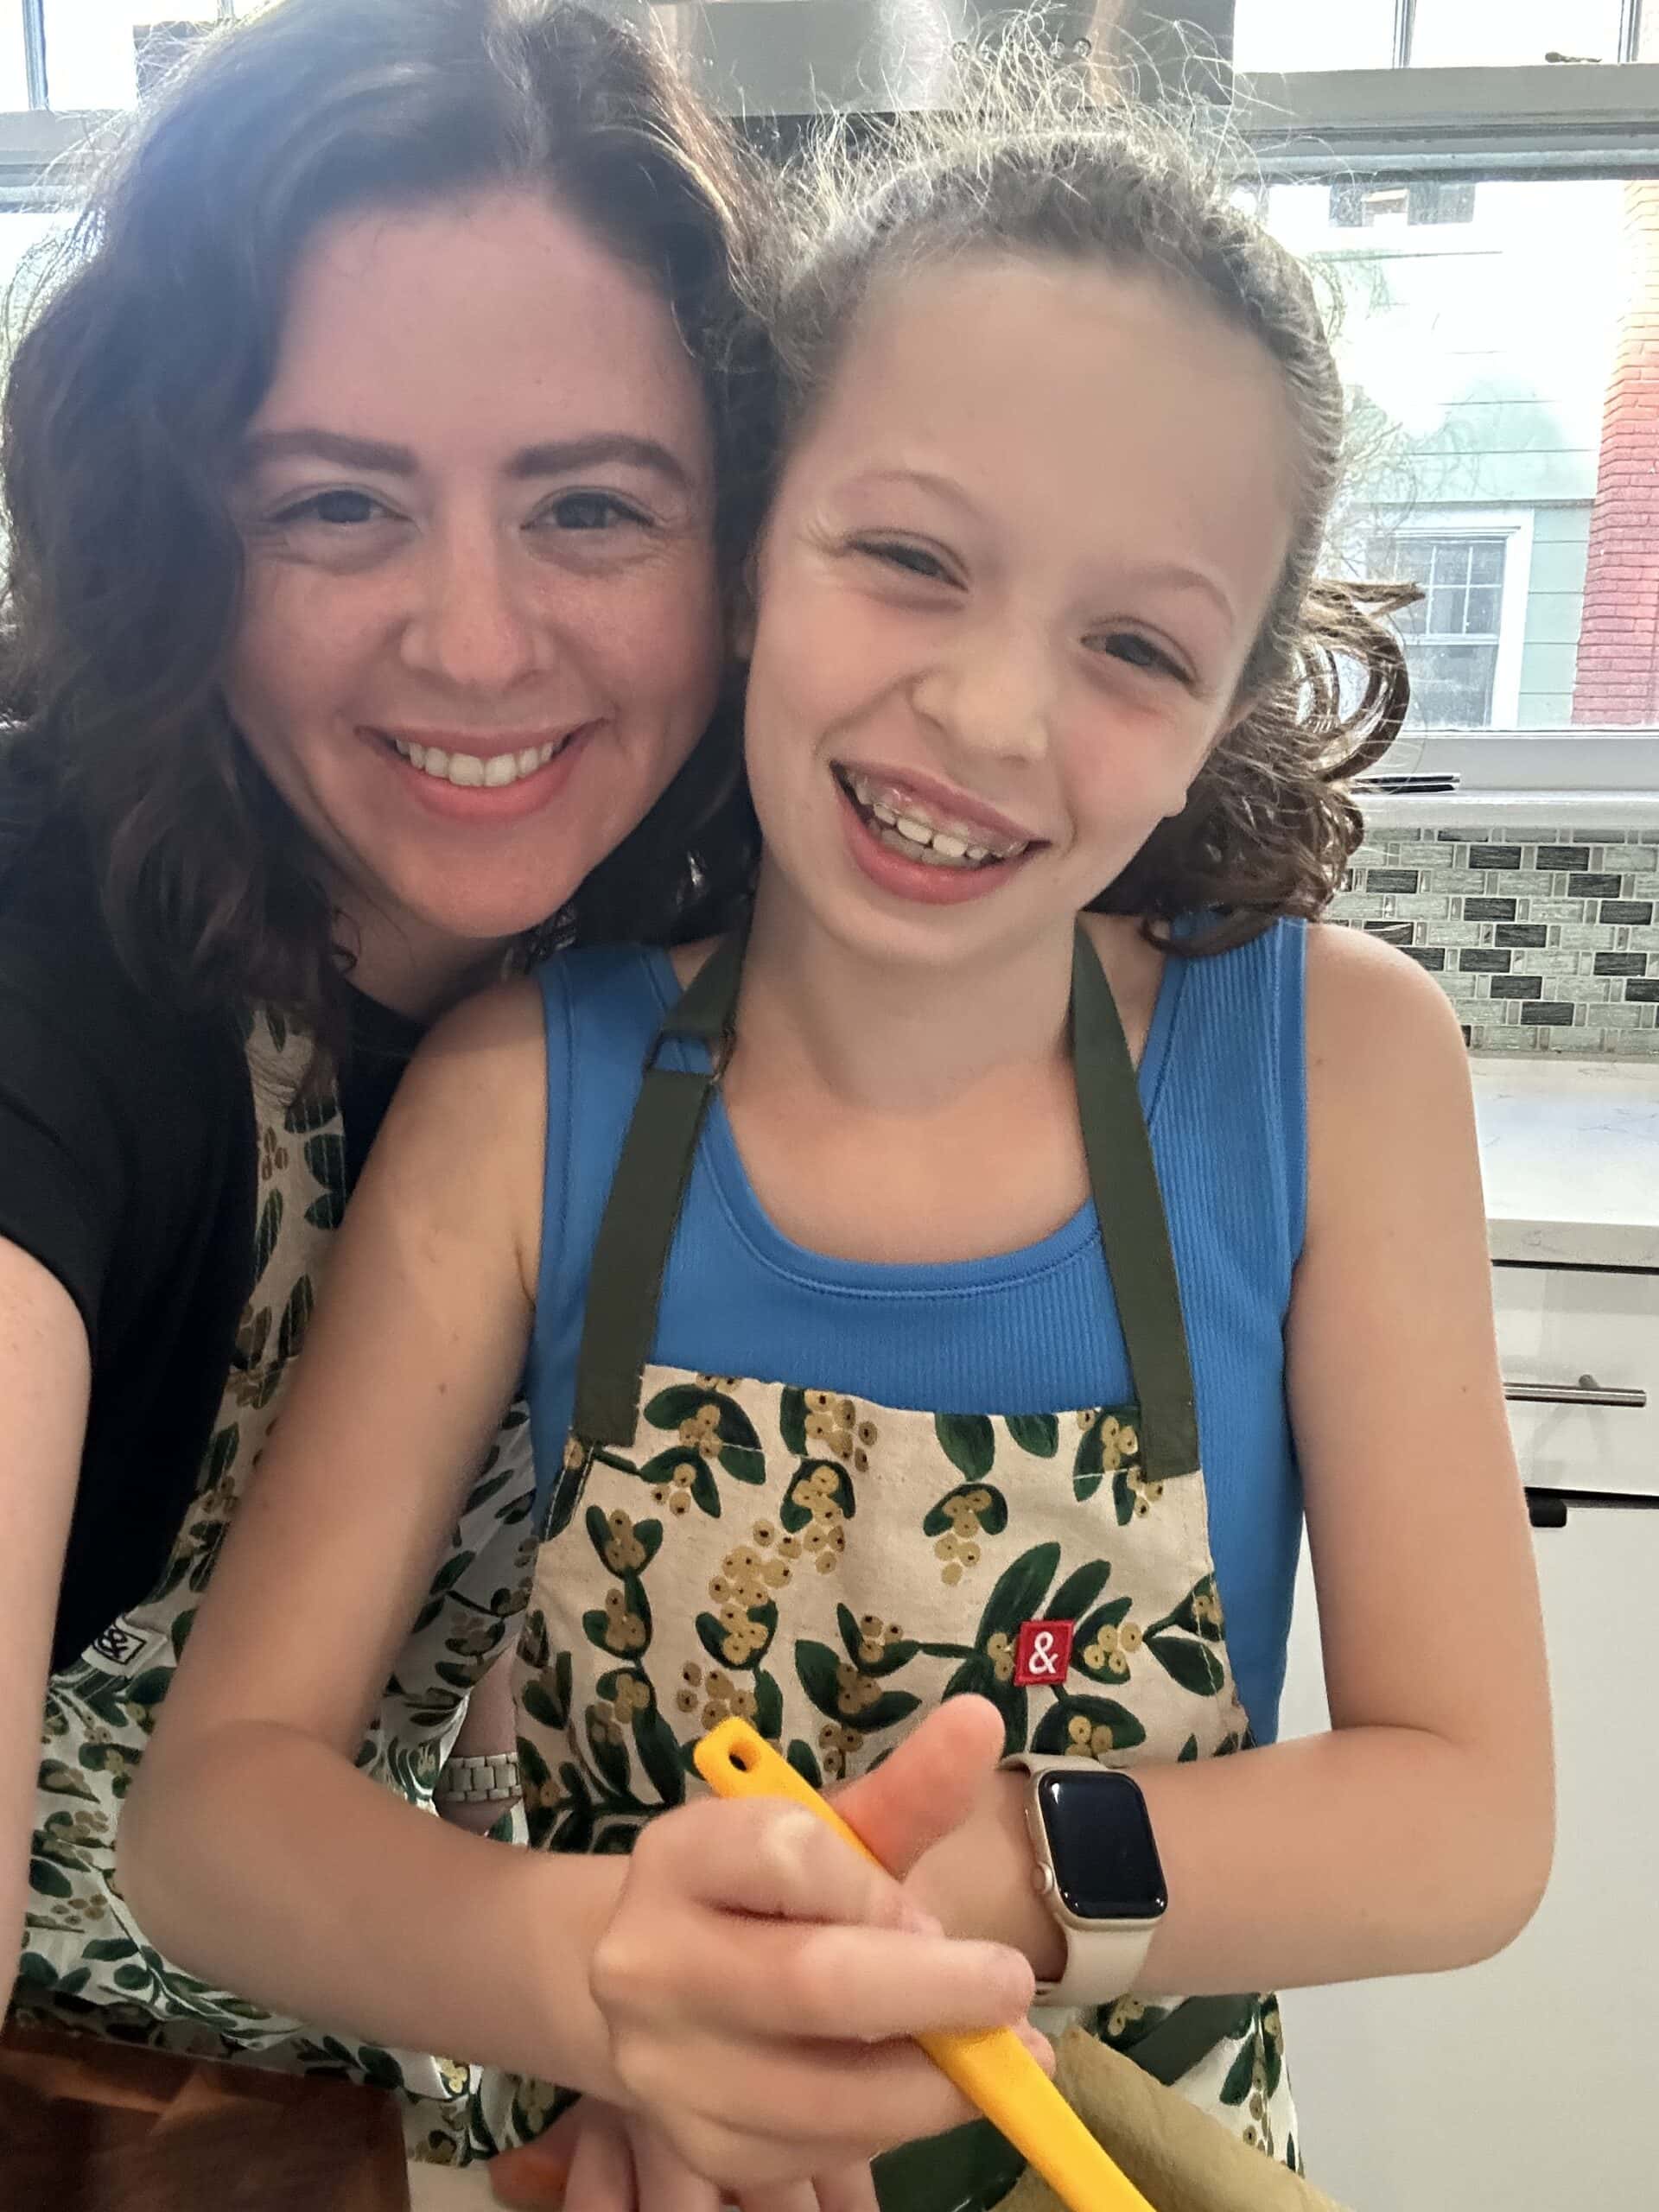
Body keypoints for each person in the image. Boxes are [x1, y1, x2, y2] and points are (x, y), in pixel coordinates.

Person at [122, 32, 1554, 2209]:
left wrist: (1023, 1866)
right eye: (907, 556)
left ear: (1220, 715)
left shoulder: (1329, 1075)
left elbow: (1471, 1816)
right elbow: (216, 1815)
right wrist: (623, 1989)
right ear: (752, 548)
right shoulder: (536, 1091)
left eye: (1135, 646)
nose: (989, 711)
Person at [0, 0, 769, 2162]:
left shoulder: (713, 960)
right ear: (179, 539)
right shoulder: (62, 969)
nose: (475, 641)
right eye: (335, 503)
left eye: (592, 508)